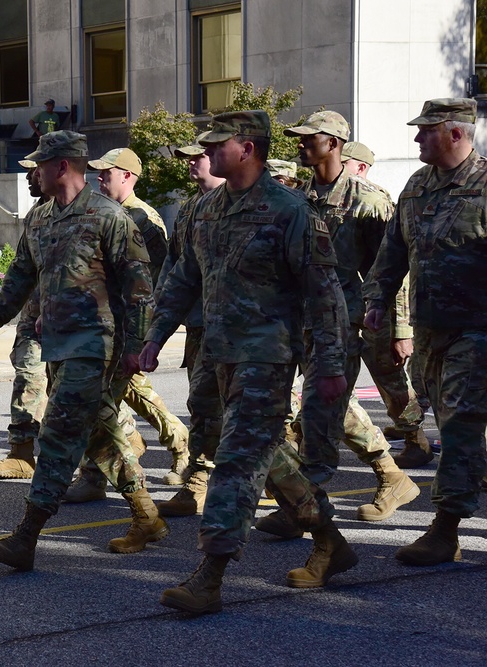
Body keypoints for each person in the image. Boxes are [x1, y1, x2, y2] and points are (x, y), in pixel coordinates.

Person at [140, 110, 354, 615]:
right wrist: (154, 336)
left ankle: (209, 576)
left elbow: (324, 294)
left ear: (248, 148)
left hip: (268, 356)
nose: (208, 151)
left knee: (235, 462)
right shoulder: (206, 210)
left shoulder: (290, 211)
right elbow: (183, 279)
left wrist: (329, 364)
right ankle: (331, 540)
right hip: (218, 355)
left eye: (219, 143)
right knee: (261, 454)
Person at [0, 130, 162, 570]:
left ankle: (26, 536)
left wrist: (136, 347)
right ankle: (146, 516)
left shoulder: (109, 217)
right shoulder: (40, 219)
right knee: (98, 430)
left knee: (58, 435)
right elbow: (21, 274)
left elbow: (140, 290)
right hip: (56, 344)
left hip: (96, 345)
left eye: (41, 164)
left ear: (62, 166)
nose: (34, 172)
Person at [277, 110, 418, 523]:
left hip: (347, 321)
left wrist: (400, 329)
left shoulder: (368, 201)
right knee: (314, 410)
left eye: (309, 139)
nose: (301, 144)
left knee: (321, 409)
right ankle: (386, 476)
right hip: (300, 319)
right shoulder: (300, 198)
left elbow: (393, 269)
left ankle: (308, 506)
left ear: (333, 144)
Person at [363, 97, 487, 567]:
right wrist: (377, 301)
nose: (417, 138)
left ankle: (446, 528)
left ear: (456, 133)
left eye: (426, 130)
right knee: (457, 424)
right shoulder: (417, 186)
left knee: (458, 426)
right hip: (431, 330)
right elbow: (393, 251)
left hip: (477, 332)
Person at [61, 147, 188, 501]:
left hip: (128, 325)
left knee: (98, 402)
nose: (99, 179)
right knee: (131, 394)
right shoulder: (109, 214)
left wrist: (145, 335)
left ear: (128, 176)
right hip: (105, 325)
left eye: (107, 173)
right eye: (98, 173)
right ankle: (179, 444)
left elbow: (155, 279)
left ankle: (95, 477)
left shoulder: (142, 219)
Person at [344, 141, 431, 465]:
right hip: (346, 309)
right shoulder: (328, 197)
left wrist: (402, 328)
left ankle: (414, 437)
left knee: (390, 378)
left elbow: (396, 267)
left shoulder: (375, 203)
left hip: (377, 310)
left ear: (362, 167)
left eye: (346, 162)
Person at [154, 133, 226, 518]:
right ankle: (198, 483)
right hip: (202, 325)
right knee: (202, 405)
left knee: (267, 417)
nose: (192, 162)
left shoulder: (251, 202)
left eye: (199, 155)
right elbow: (177, 268)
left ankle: (297, 499)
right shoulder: (189, 209)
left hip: (251, 333)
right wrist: (158, 322)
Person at [0, 159, 48, 480]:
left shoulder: (96, 214)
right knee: (28, 378)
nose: (28, 177)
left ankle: (123, 450)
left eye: (33, 170)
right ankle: (22, 454)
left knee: (90, 400)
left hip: (81, 327)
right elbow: (21, 272)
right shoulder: (37, 215)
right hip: (35, 324)